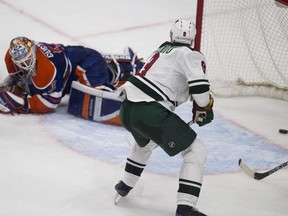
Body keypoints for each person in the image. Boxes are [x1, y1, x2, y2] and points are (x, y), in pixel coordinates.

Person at [114, 19, 214, 216]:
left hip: (127, 109)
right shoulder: (191, 54)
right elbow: (201, 92)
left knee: (145, 143)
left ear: (171, 35)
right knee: (196, 151)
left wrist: (199, 106)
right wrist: (205, 106)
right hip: (150, 111)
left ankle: (125, 184)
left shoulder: (161, 50)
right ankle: (185, 207)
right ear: (192, 38)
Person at [0, 36, 144, 125]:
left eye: (28, 59)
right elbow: (18, 77)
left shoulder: (47, 67)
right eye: (21, 61)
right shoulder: (12, 57)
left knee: (98, 92)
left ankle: (133, 68)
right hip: (71, 63)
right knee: (93, 80)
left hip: (85, 63)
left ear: (33, 51)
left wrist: (14, 102)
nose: (25, 64)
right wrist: (7, 87)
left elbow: (48, 104)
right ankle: (124, 64)